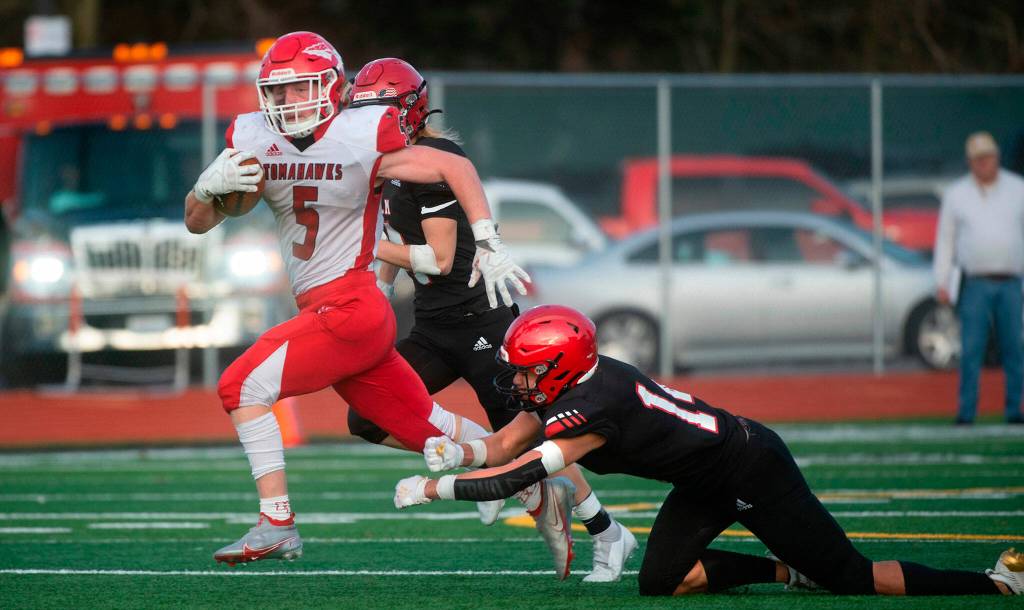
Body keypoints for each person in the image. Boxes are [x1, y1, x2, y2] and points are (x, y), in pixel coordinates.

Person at [183, 31, 528, 566]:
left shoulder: (359, 134)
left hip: (350, 307)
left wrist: (488, 238)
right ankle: (532, 485)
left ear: (328, 87)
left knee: (240, 386)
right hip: (331, 310)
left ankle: (277, 522)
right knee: (426, 427)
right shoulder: (255, 138)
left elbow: (453, 167)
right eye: (277, 90)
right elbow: (200, 222)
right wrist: (205, 189)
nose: (286, 101)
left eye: (299, 88)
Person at [393, 304, 1023, 596]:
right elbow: (504, 444)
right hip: (702, 479)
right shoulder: (578, 384)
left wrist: (432, 489)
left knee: (854, 579)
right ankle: (787, 570)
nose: (517, 381)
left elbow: (516, 475)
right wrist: (456, 454)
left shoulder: (595, 406)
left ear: (559, 367)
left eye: (527, 370)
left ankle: (994, 581)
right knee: (661, 583)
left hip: (751, 467)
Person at [343, 58, 633, 582]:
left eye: (377, 111)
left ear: (407, 112)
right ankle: (488, 461)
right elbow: (395, 240)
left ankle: (609, 532)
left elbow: (438, 259)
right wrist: (378, 294)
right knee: (367, 414)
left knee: (529, 435)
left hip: (481, 323)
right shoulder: (385, 165)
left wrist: (361, 249)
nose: (367, 124)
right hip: (433, 326)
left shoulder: (434, 162)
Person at [934, 131, 1024, 425]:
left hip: (1012, 282)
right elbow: (945, 240)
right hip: (975, 283)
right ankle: (967, 411)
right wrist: (942, 281)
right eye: (977, 159)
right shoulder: (957, 194)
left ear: (996, 157)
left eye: (987, 157)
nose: (983, 163)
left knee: (1014, 348)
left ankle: (1014, 409)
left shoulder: (1018, 189)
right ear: (970, 161)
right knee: (971, 349)